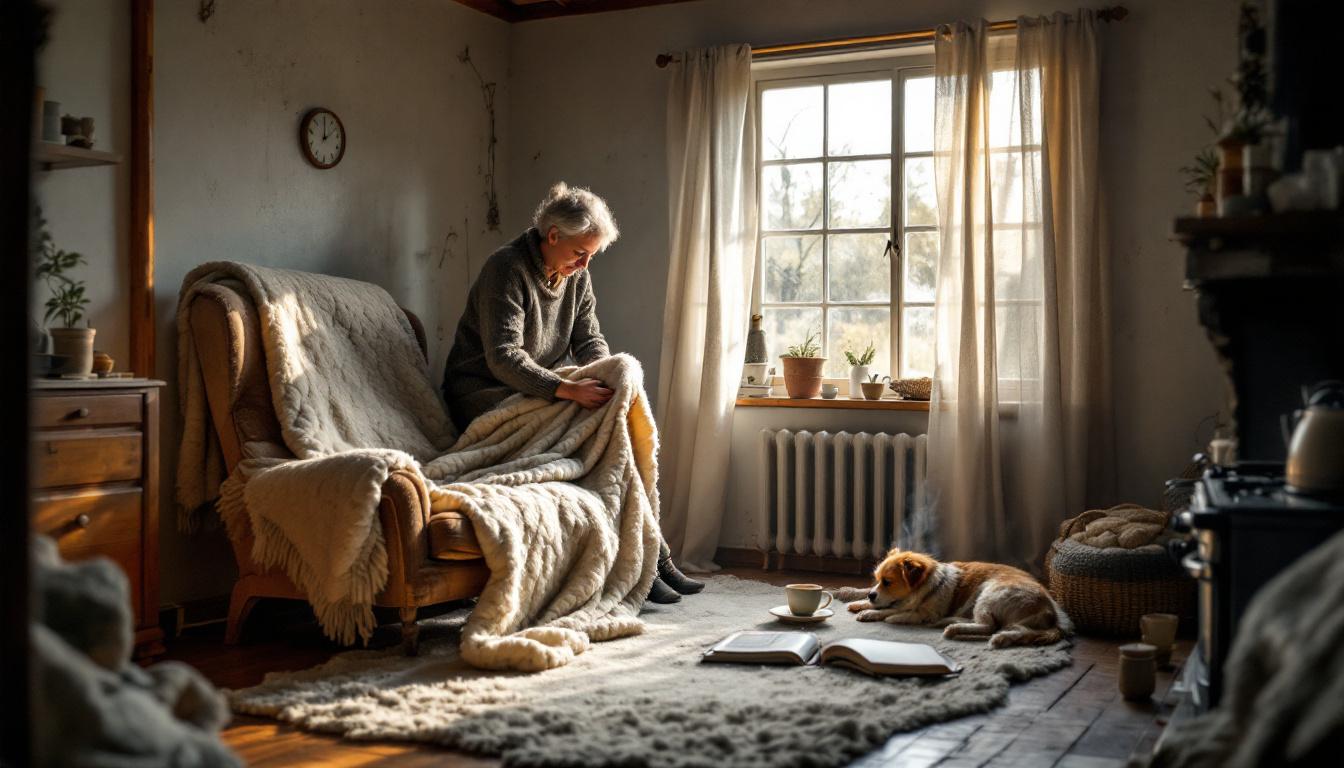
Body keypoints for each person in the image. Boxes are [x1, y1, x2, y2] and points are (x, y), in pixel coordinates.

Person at [441, 182, 701, 604]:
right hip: (485, 392)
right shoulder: (505, 269)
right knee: (607, 431)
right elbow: (503, 357)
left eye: (591, 257)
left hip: (546, 387)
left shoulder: (577, 276)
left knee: (615, 419)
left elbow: (590, 339)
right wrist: (565, 388)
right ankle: (653, 560)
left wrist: (600, 377)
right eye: (579, 253)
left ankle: (652, 558)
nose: (583, 265)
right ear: (553, 235)